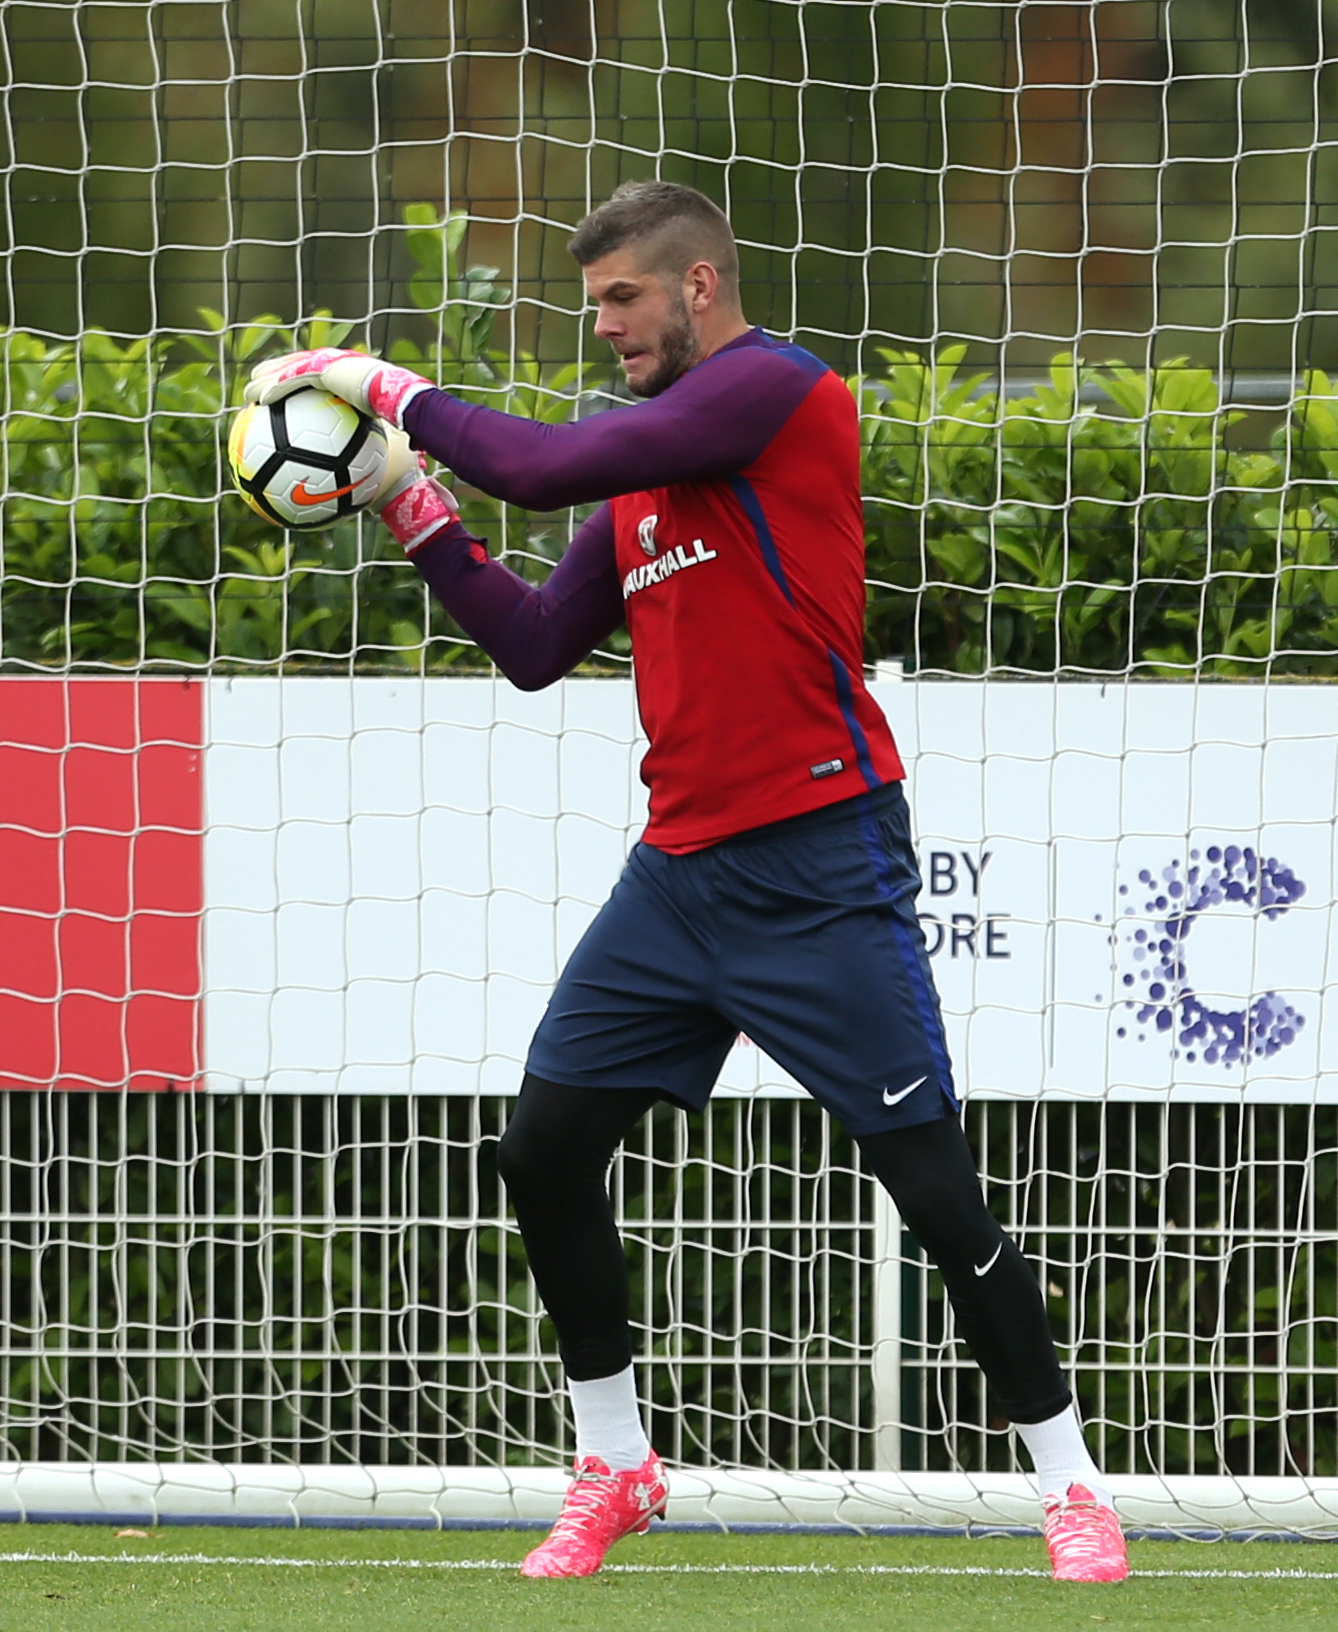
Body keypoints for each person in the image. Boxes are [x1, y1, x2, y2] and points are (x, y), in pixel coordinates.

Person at [245, 179, 1127, 1585]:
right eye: (596, 304)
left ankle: (1075, 1493)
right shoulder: (646, 481)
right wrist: (412, 511)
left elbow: (531, 470)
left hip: (822, 865)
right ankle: (617, 1465)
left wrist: (372, 383)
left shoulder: (781, 394)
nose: (606, 328)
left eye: (622, 301)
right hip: (676, 880)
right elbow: (536, 643)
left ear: (699, 285)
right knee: (541, 1152)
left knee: (941, 1200)